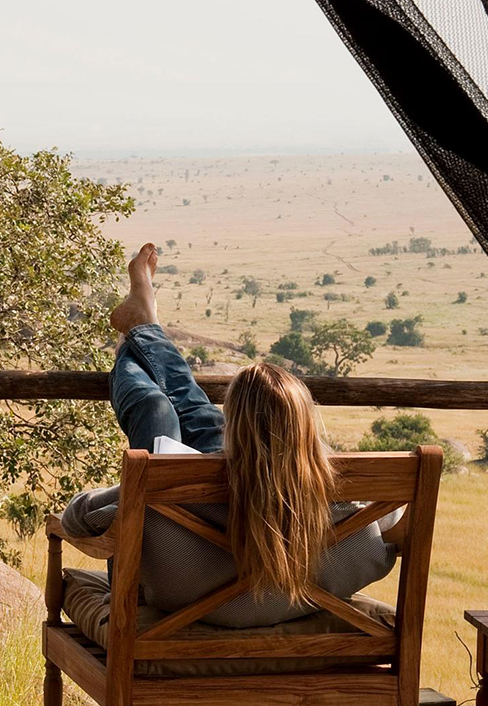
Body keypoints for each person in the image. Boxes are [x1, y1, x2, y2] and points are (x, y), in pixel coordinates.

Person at [60, 242, 405, 628]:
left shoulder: (174, 487)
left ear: (235, 432)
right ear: (306, 429)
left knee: (156, 409)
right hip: (300, 594)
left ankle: (139, 330)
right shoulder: (354, 508)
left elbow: (78, 520)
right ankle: (144, 325)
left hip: (186, 602)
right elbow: (393, 527)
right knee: (198, 416)